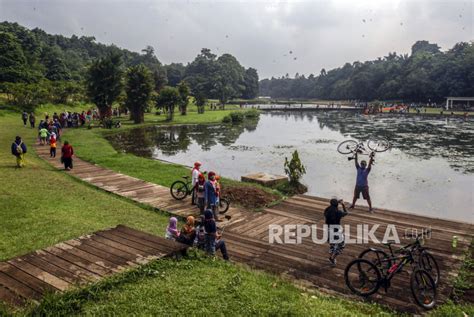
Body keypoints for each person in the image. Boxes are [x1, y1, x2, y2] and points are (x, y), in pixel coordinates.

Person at [324, 198, 348, 266]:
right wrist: (343, 204)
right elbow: (346, 213)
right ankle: (332, 258)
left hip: (328, 230)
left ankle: (331, 258)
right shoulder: (338, 212)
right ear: (337, 205)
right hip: (336, 231)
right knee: (341, 245)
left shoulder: (327, 211)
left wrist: (335, 203)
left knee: (332, 245)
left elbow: (328, 208)